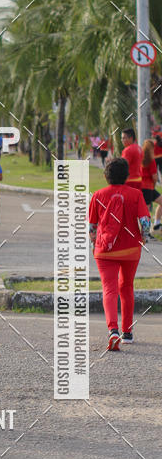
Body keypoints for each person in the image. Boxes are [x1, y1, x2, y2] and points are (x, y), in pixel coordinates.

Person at [89, 157, 150, 349]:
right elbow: (145, 221)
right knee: (127, 287)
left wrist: (94, 240)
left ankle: (113, 330)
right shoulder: (136, 194)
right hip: (131, 249)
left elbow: (92, 226)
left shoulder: (98, 195)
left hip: (105, 250)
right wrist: (144, 236)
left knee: (109, 288)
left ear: (106, 175)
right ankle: (127, 332)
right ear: (126, 175)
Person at [141, 139, 162, 232]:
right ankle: (146, 232)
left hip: (143, 186)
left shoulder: (140, 158)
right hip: (148, 187)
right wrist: (156, 180)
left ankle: (157, 223)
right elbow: (154, 177)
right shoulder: (151, 160)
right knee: (147, 210)